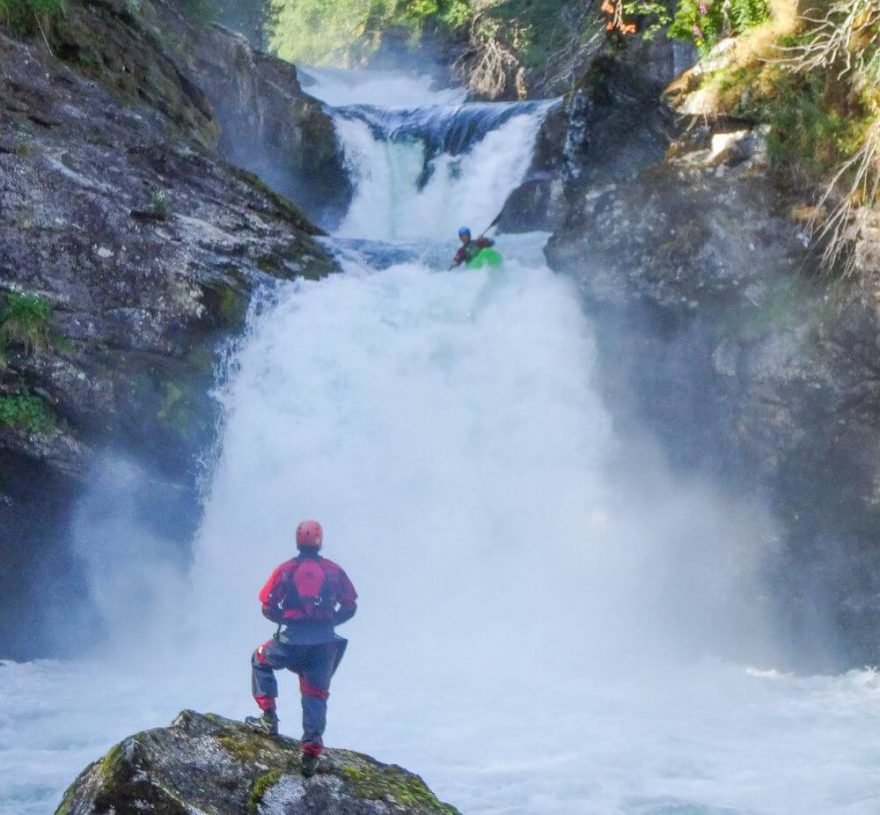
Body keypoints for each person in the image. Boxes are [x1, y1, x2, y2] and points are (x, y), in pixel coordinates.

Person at [246, 519, 358, 777]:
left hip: (291, 642)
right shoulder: (333, 571)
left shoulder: (286, 570)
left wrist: (285, 620)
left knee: (260, 658)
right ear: (321, 541)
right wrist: (331, 622)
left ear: (298, 541)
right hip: (324, 645)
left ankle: (268, 719)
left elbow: (266, 605)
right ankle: (310, 754)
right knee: (315, 694)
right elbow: (350, 605)